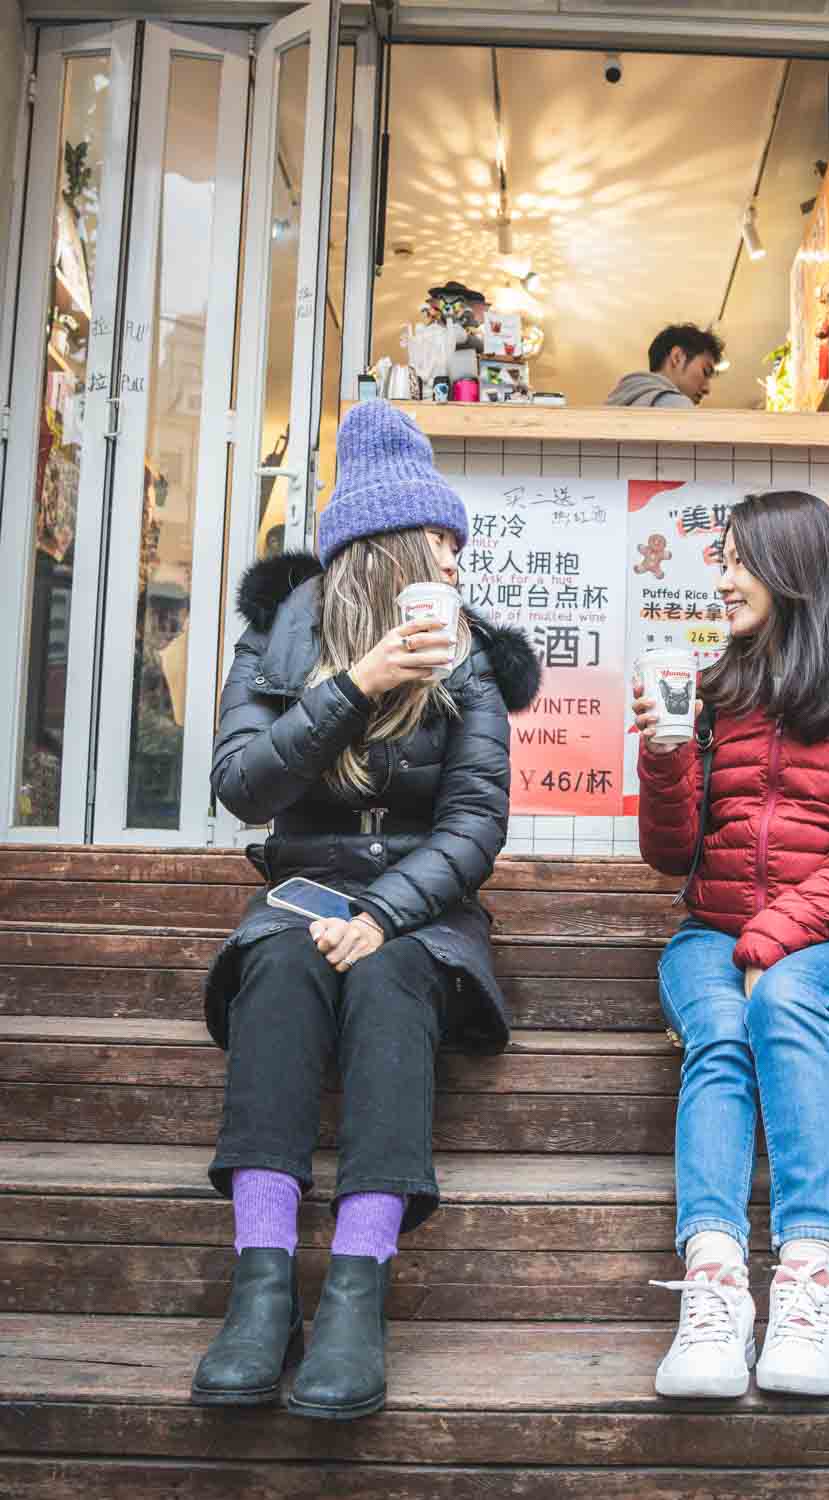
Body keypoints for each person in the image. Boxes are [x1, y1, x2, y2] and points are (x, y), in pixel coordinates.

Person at [191, 401, 540, 1420]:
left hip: (420, 917)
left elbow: (476, 827)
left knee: (383, 969)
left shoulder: (470, 656)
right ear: (391, 553)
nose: (459, 562)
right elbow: (243, 785)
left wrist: (386, 913)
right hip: (302, 896)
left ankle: (355, 1291)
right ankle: (260, 1289)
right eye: (444, 540)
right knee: (287, 958)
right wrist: (355, 684)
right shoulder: (278, 638)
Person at [632, 491, 829, 1400]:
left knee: (785, 996)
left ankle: (806, 1280)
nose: (718, 579)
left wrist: (776, 935)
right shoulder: (717, 691)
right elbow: (672, 857)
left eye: (734, 560)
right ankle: (716, 1287)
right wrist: (666, 759)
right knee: (721, 1027)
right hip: (711, 937)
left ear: (791, 567)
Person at [606, 324, 724, 409]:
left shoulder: (611, 405)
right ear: (677, 357)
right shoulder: (676, 405)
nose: (707, 389)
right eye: (705, 371)